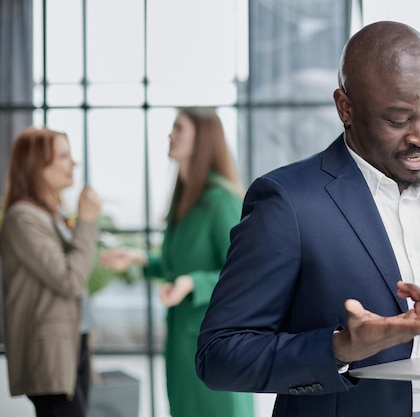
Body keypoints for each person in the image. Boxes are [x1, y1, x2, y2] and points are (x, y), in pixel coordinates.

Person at [196, 21, 420, 417]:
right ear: (345, 108)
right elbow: (219, 354)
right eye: (399, 119)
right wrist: (340, 348)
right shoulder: (287, 202)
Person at [99, 107, 253, 417]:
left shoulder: (219, 199)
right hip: (182, 342)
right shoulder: (185, 197)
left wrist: (192, 284)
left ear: (202, 138)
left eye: (178, 127)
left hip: (213, 340)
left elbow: (241, 273)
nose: (170, 134)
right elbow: (176, 265)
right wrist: (139, 259)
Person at [0, 126, 101, 417]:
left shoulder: (51, 214)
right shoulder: (23, 218)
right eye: (64, 156)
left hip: (73, 340)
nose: (74, 163)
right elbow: (69, 281)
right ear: (36, 165)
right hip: (50, 350)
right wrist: (87, 222)